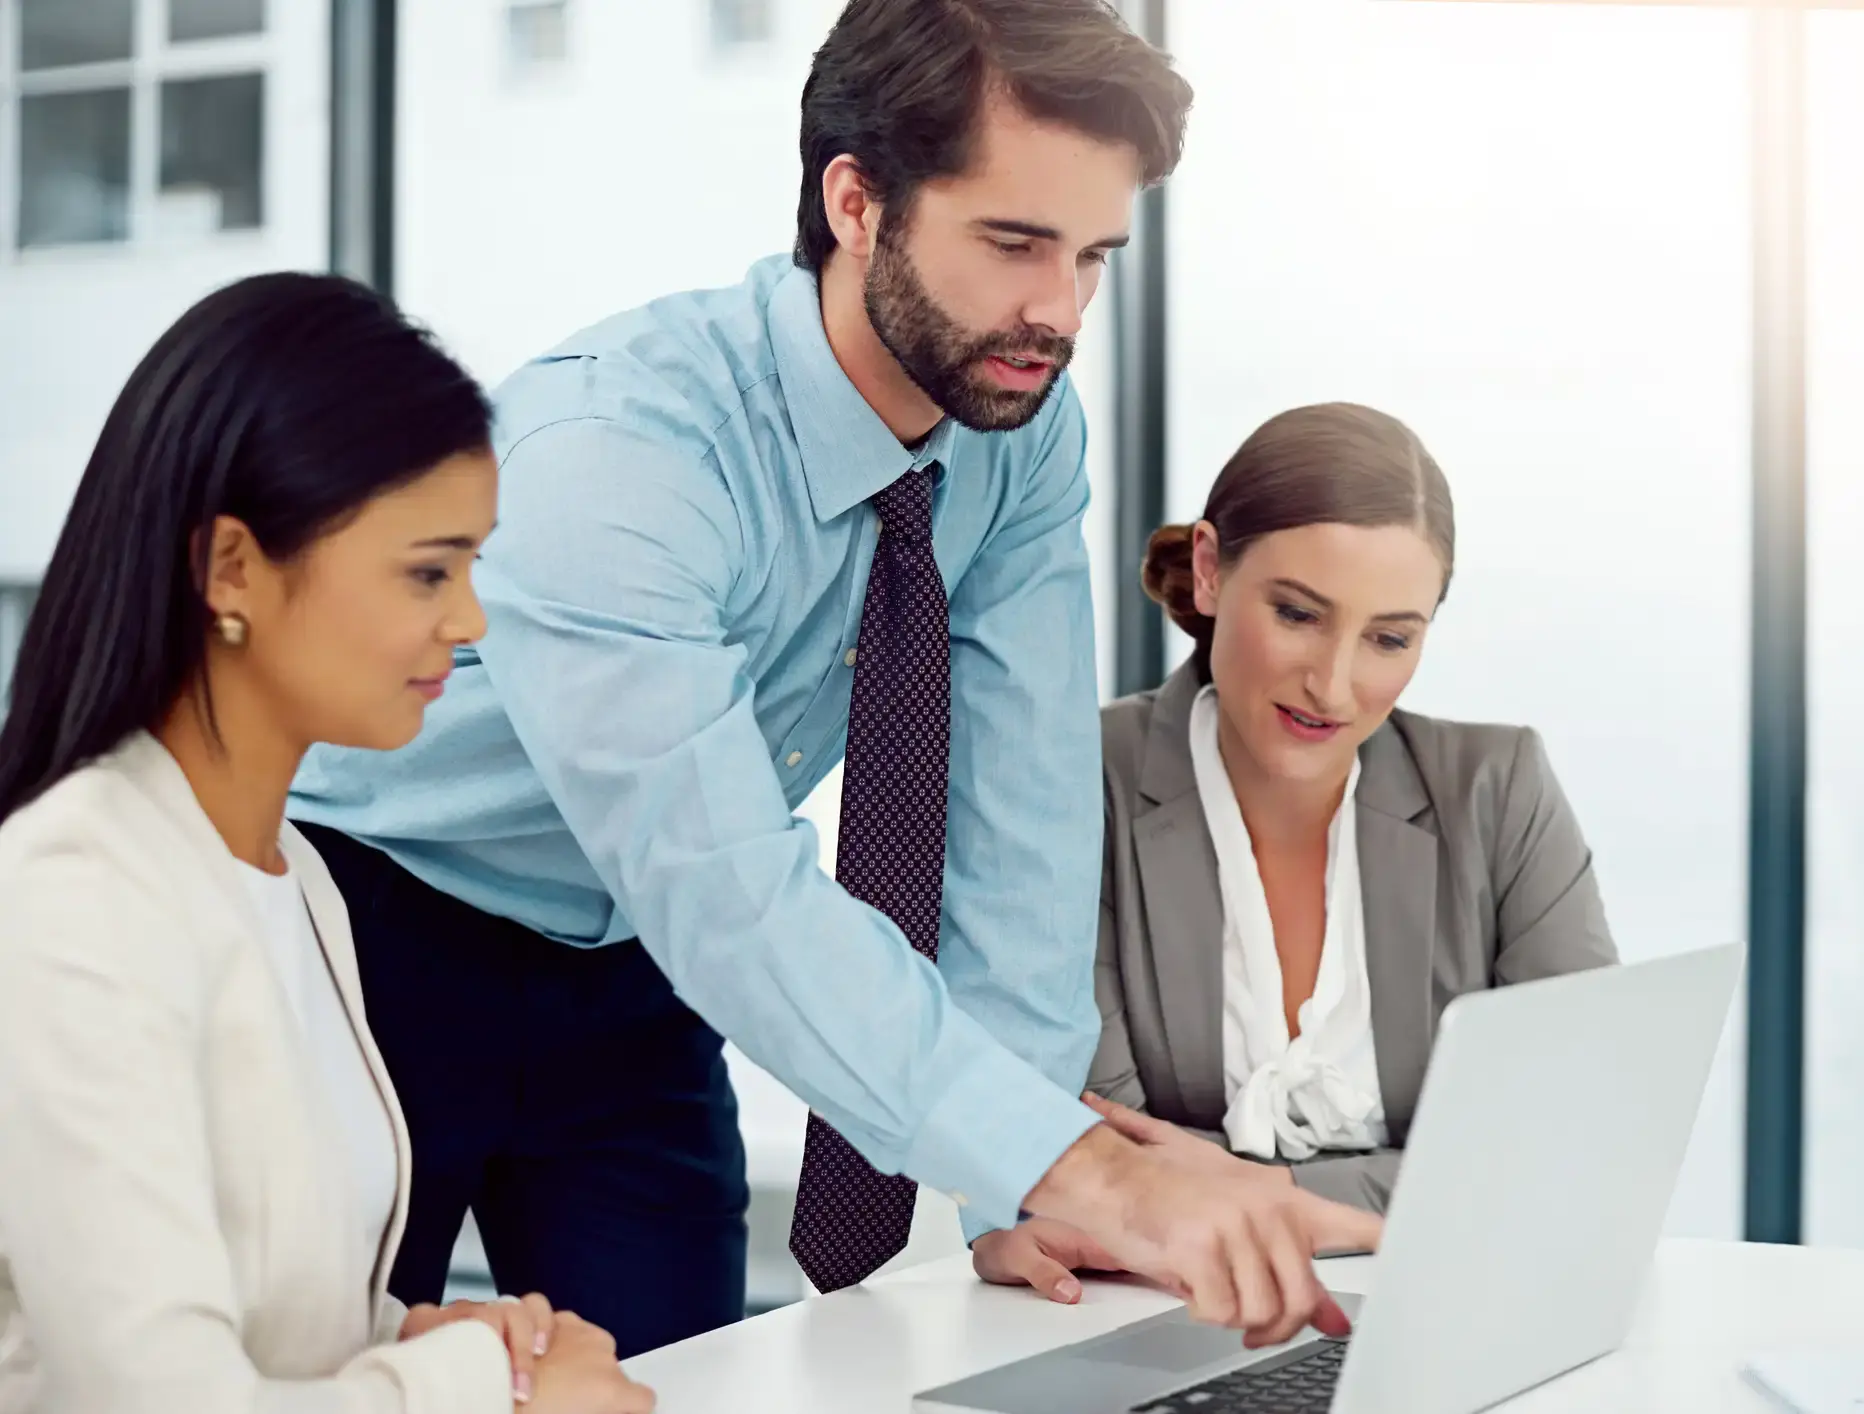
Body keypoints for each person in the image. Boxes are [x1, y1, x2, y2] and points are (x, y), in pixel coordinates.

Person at [288, 0, 1379, 1360]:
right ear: (855, 201)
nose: (1059, 312)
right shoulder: (619, 452)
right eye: (1013, 243)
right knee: (318, 1370)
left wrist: (1016, 1178)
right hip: (371, 931)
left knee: (680, 1378)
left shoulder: (1015, 429)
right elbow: (728, 888)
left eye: (1092, 256)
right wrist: (1088, 1165)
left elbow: (1021, 823)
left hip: (624, 953)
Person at [0, 273, 651, 1414]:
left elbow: (270, 1298)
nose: (468, 621)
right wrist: (467, 1388)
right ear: (232, 568)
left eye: (469, 568)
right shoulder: (74, 894)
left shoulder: (293, 876)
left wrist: (432, 1330)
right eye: (425, 571)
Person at [1082, 403, 1619, 1215]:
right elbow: (1097, 1158)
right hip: (1144, 1305)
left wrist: (1271, 1199)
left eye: (1389, 640)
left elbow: (1574, 1139)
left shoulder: (1498, 793)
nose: (1333, 686)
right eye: (1297, 614)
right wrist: (1408, 1198)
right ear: (1209, 570)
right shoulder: (1085, 784)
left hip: (1432, 1303)